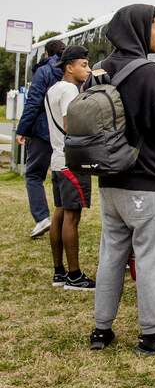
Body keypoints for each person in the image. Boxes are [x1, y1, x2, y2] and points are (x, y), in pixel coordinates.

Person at [90, 4, 155, 354]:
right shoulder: (148, 73)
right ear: (138, 30)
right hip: (147, 182)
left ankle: (101, 330)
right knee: (150, 259)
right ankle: (150, 334)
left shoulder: (99, 71)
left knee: (111, 255)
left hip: (110, 180)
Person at [43, 45, 95, 290]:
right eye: (84, 65)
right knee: (72, 218)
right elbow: (71, 124)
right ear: (69, 67)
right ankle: (74, 275)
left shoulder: (52, 89)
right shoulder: (70, 90)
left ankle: (59, 272)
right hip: (72, 160)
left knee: (60, 213)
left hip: (57, 159)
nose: (88, 69)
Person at [16, 39, 66, 239]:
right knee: (59, 175)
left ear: (47, 54)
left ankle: (42, 218)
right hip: (63, 130)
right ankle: (63, 219)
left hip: (42, 131)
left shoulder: (44, 72)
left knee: (34, 175)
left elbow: (33, 102)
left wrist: (22, 129)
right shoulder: (70, 70)